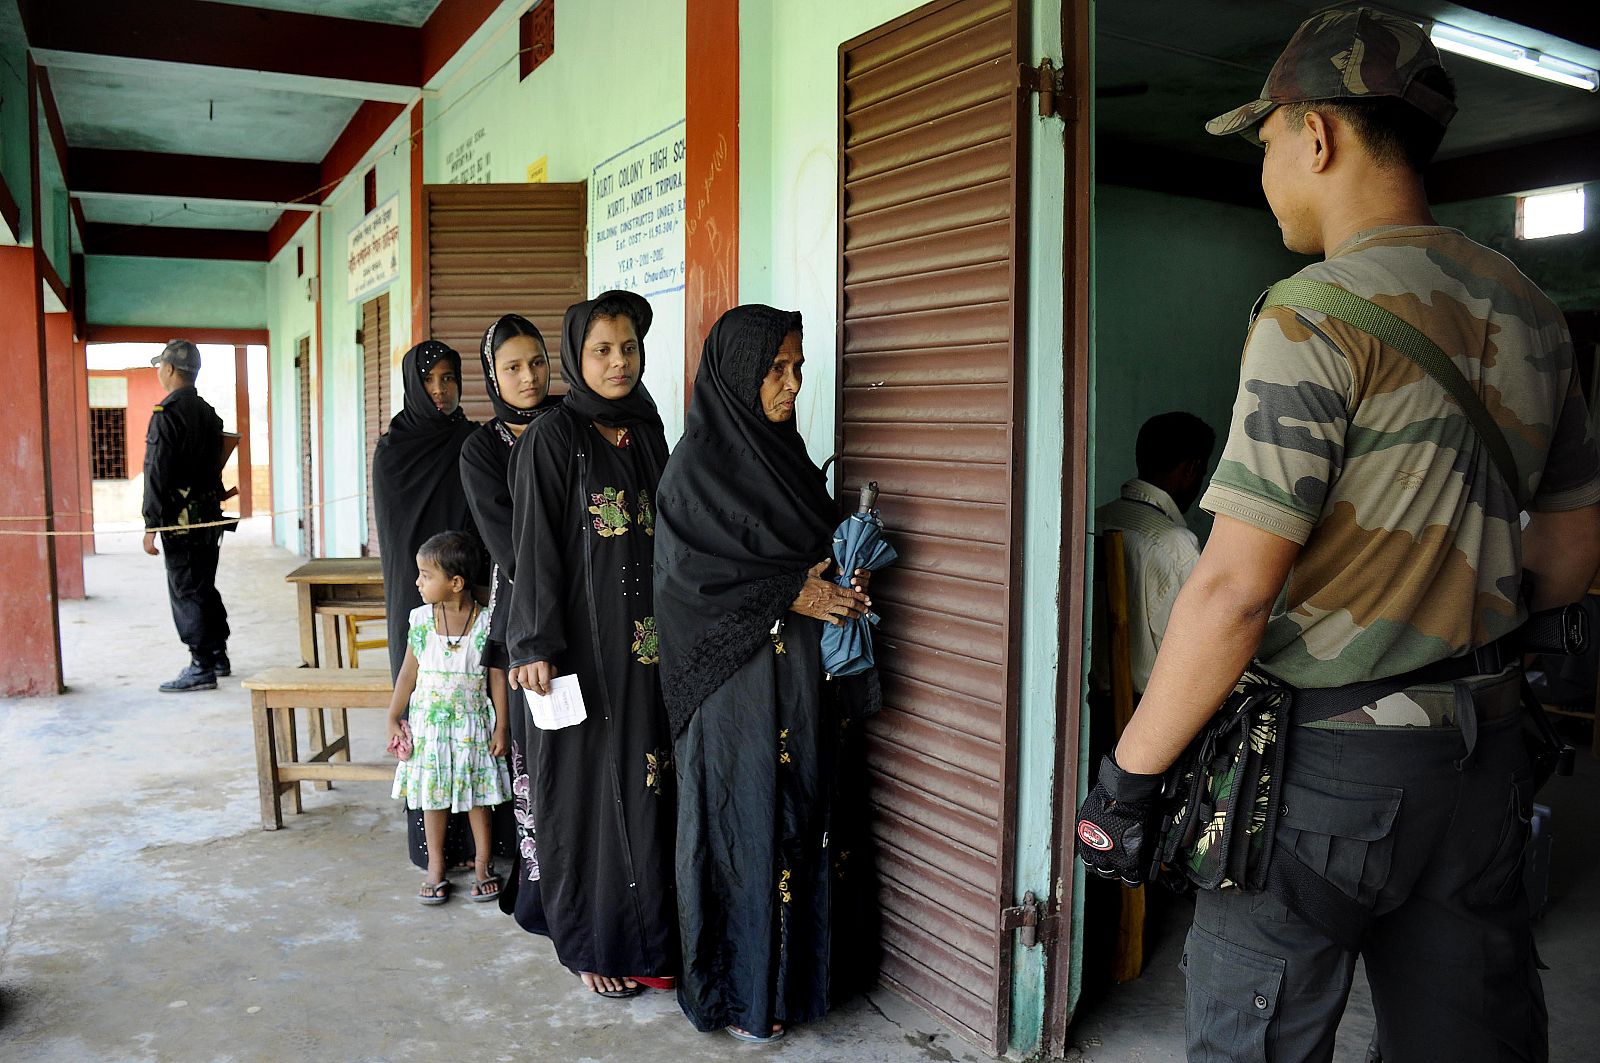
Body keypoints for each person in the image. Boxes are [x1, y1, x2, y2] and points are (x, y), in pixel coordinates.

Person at [1074, 8, 1600, 1062]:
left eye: (1265, 142)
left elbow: (1233, 588)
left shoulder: (1314, 309)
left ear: (1316, 137)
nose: (1268, 170)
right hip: (1488, 753)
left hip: (1324, 780)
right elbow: (1572, 551)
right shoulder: (1531, 307)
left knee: (1256, 1035)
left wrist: (1127, 781)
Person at [655, 305, 879, 1043]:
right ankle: (733, 993)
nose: (791, 384)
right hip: (732, 692)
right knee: (738, 827)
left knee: (799, 826)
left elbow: (803, 558)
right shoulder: (693, 472)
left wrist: (840, 581)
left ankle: (788, 987)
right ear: (738, 373)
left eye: (798, 368)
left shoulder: (786, 457)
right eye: (776, 370)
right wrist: (791, 589)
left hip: (799, 686)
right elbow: (691, 587)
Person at [504, 290, 676, 998]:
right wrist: (534, 643)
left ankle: (652, 938)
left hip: (648, 649)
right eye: (602, 349)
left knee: (646, 789)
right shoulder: (554, 436)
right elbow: (533, 546)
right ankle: (588, 940)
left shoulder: (648, 429)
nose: (618, 361)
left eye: (629, 347)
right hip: (576, 654)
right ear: (577, 356)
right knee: (584, 797)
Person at [372, 339, 498, 873]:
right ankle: (434, 853)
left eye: (449, 379)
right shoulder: (393, 450)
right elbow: (395, 531)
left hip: (471, 590)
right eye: (429, 381)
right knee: (425, 713)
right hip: (417, 592)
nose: (441, 390)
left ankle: (485, 851)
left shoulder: (473, 441)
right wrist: (427, 584)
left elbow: (488, 513)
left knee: (477, 715)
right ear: (412, 386)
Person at [457, 314, 561, 934]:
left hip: (598, 612)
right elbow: (512, 547)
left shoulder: (572, 424)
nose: (528, 377)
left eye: (537, 363)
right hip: (530, 622)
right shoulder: (482, 449)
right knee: (542, 758)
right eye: (512, 367)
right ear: (493, 375)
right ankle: (546, 891)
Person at [385, 531, 510, 905]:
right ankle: (436, 866)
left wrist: (502, 725)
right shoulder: (421, 620)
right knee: (432, 796)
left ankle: (484, 864)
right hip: (428, 727)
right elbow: (408, 674)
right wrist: (393, 715)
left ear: (455, 583)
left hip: (473, 724)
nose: (417, 582)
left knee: (477, 796)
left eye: (426, 575)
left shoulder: (486, 622)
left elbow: (497, 679)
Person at [1095, 411, 1215, 692]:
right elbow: (1193, 658)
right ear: (1192, 469)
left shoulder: (1097, 520)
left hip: (1087, 711)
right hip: (1146, 712)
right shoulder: (1176, 546)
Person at [141, 339, 232, 693]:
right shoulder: (208, 413)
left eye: (160, 368)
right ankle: (219, 653)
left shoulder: (166, 414)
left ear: (169, 370)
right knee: (204, 583)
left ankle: (200, 664)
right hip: (209, 514)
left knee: (186, 586)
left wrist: (151, 524)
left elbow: (156, 472)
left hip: (180, 520)